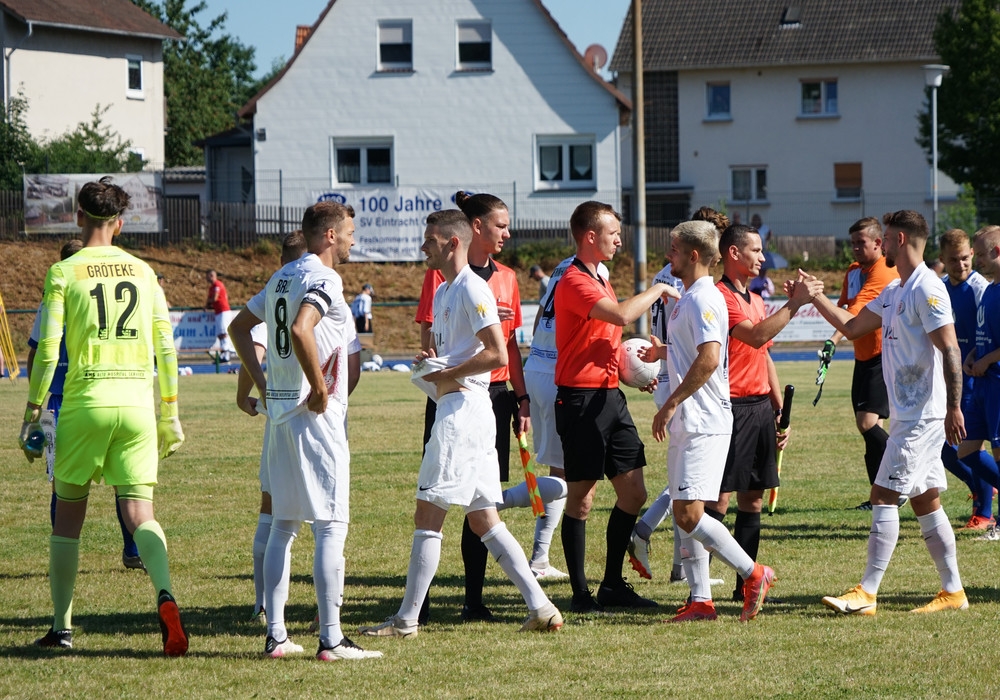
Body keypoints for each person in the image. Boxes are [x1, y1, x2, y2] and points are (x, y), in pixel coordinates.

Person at [358, 209, 563, 638]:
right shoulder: (444, 289)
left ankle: (406, 621)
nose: (423, 247)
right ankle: (542, 607)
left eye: (430, 240)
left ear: (452, 243)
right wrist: (432, 362)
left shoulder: (472, 287)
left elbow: (497, 353)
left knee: (428, 514)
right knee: (484, 520)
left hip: (463, 414)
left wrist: (448, 372)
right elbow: (462, 353)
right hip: (463, 410)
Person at [18, 176, 187, 654]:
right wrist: (170, 413)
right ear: (121, 223)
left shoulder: (64, 272)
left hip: (84, 403)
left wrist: (33, 412)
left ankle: (62, 627)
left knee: (68, 520)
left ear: (78, 216)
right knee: (139, 513)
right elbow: (166, 349)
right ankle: (165, 593)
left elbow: (48, 349)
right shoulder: (144, 271)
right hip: (137, 406)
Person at [229, 203, 381, 662]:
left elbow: (239, 327)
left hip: (279, 418)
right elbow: (301, 328)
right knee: (331, 524)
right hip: (315, 419)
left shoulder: (282, 275)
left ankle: (276, 636)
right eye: (350, 231)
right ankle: (331, 640)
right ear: (330, 235)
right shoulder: (325, 278)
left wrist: (262, 384)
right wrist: (318, 387)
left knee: (283, 525)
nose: (354, 240)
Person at [813, 210, 968, 615]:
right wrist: (814, 297)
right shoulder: (896, 288)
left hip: (922, 416)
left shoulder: (927, 289)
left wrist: (954, 406)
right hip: (907, 413)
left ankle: (866, 593)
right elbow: (852, 327)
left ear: (899, 239)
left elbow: (950, 348)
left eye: (885, 237)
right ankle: (953, 592)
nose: (880, 243)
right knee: (926, 501)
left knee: (882, 494)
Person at [645, 219, 775, 622]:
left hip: (702, 420)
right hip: (691, 419)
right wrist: (664, 353)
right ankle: (701, 600)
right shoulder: (691, 296)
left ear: (693, 254)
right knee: (686, 511)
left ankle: (754, 573)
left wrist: (671, 403)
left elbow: (710, 357)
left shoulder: (703, 298)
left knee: (689, 513)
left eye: (673, 249)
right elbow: (692, 351)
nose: (668, 255)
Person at [554, 201, 680, 613]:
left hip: (610, 397)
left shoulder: (599, 277)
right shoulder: (574, 280)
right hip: (580, 400)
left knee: (634, 492)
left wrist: (630, 373)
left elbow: (600, 338)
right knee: (582, 499)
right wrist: (660, 288)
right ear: (591, 236)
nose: (619, 240)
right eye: (613, 234)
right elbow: (622, 316)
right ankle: (580, 594)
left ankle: (611, 585)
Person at [707, 223, 821, 602]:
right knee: (717, 501)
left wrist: (777, 409)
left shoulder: (755, 300)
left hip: (758, 409)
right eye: (755, 250)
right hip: (730, 408)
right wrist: (795, 303)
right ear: (733, 253)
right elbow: (754, 336)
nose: (762, 256)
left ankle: (745, 585)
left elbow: (764, 354)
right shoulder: (720, 297)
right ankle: (697, 586)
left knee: (752, 500)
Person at [26, 239, 144, 571]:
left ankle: (62, 555)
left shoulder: (50, 300)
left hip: (59, 402)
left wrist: (35, 400)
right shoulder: (95, 296)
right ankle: (133, 550)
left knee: (61, 483)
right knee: (123, 480)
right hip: (102, 393)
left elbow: (36, 352)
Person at [628, 205, 724, 584]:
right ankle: (651, 534)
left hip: (673, 377)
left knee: (685, 483)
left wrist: (658, 362)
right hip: (686, 386)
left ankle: (683, 571)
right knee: (690, 486)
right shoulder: (692, 286)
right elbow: (701, 350)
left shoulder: (665, 277)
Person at [231, 230, 309, 622]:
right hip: (311, 418)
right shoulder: (311, 290)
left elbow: (254, 348)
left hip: (278, 419)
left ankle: (261, 604)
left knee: (272, 508)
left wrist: (248, 393)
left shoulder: (274, 292)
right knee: (324, 516)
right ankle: (327, 610)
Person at [521, 253, 610, 582]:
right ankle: (496, 504)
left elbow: (540, 316)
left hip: (538, 367)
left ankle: (540, 558)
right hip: (560, 375)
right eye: (613, 232)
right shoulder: (594, 270)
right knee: (575, 476)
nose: (618, 239)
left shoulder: (562, 265)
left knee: (561, 470)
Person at [821, 217, 899, 510]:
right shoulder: (854, 271)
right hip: (862, 356)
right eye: (852, 242)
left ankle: (902, 478)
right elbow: (843, 308)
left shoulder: (885, 272)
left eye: (860, 243)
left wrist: (814, 298)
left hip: (882, 355)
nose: (854, 248)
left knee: (867, 423)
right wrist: (833, 341)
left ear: (878, 243)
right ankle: (880, 497)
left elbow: (854, 315)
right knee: (870, 428)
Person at [937, 228, 999, 530]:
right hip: (955, 377)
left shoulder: (979, 286)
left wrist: (980, 360)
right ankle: (983, 489)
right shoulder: (940, 287)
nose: (961, 265)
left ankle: (984, 513)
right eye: (953, 260)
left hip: (980, 380)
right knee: (950, 450)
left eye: (966, 258)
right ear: (942, 259)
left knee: (973, 446)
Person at [964, 226, 1000, 539]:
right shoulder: (989, 289)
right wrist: (973, 354)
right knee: (965, 450)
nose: (976, 260)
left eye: (979, 254)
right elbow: (985, 334)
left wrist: (987, 361)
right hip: (983, 383)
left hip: (997, 383)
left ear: (997, 251)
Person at [205, 269, 234, 362]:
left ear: (211, 276)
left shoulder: (218, 284)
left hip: (223, 311)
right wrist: (208, 304)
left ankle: (227, 353)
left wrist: (208, 302)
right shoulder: (211, 287)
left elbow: (214, 298)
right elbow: (210, 300)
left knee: (224, 331)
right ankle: (223, 353)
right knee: (220, 333)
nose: (206, 278)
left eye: (207, 276)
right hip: (218, 312)